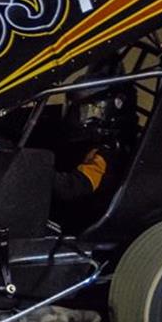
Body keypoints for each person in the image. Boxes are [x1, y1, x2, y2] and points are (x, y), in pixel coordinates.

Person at [51, 61, 138, 224]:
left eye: (87, 110)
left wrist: (37, 174)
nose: (76, 116)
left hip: (83, 216)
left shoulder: (107, 154)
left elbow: (72, 188)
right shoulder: (85, 143)